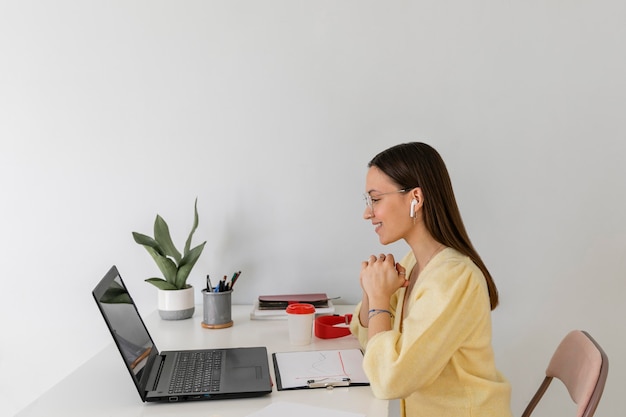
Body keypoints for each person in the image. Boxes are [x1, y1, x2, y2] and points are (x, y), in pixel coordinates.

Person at [350, 142, 512, 417]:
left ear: (415, 198)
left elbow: (389, 380)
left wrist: (379, 298)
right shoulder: (414, 262)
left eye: (375, 199)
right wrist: (371, 290)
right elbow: (367, 340)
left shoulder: (452, 278)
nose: (368, 213)